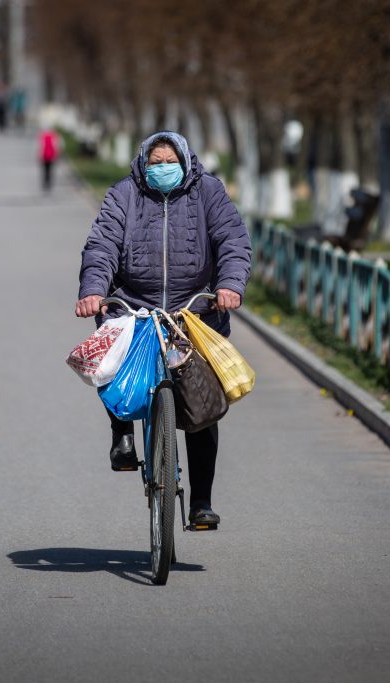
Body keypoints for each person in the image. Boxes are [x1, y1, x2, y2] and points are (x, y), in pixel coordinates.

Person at [75, 131, 252, 527]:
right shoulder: (124, 194)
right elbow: (101, 245)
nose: (162, 168)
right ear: (142, 164)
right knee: (111, 362)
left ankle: (200, 504)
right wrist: (93, 291)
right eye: (155, 162)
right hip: (134, 305)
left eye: (170, 161)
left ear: (186, 161)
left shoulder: (208, 192)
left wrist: (228, 286)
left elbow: (233, 242)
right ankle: (122, 435)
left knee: (203, 404)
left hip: (195, 312)